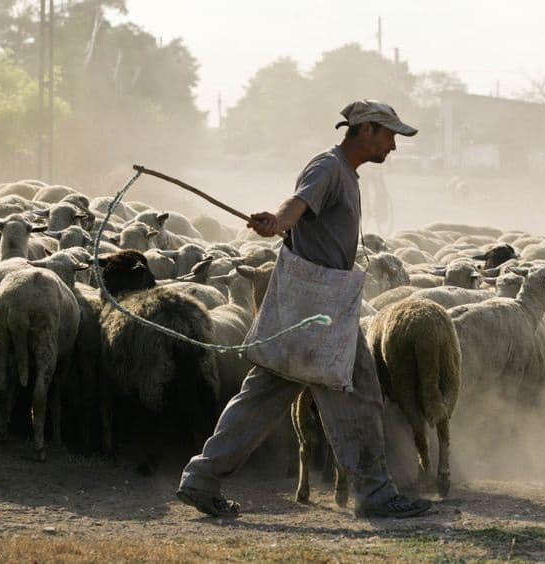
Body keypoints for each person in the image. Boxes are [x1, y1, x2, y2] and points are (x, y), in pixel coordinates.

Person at [176, 99, 432, 519]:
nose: (394, 145)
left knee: (262, 396)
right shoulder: (328, 167)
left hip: (317, 303)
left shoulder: (345, 173)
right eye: (390, 135)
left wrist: (284, 223)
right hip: (319, 308)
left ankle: (202, 478)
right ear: (365, 130)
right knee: (359, 392)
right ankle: (375, 494)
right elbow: (297, 203)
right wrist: (279, 222)